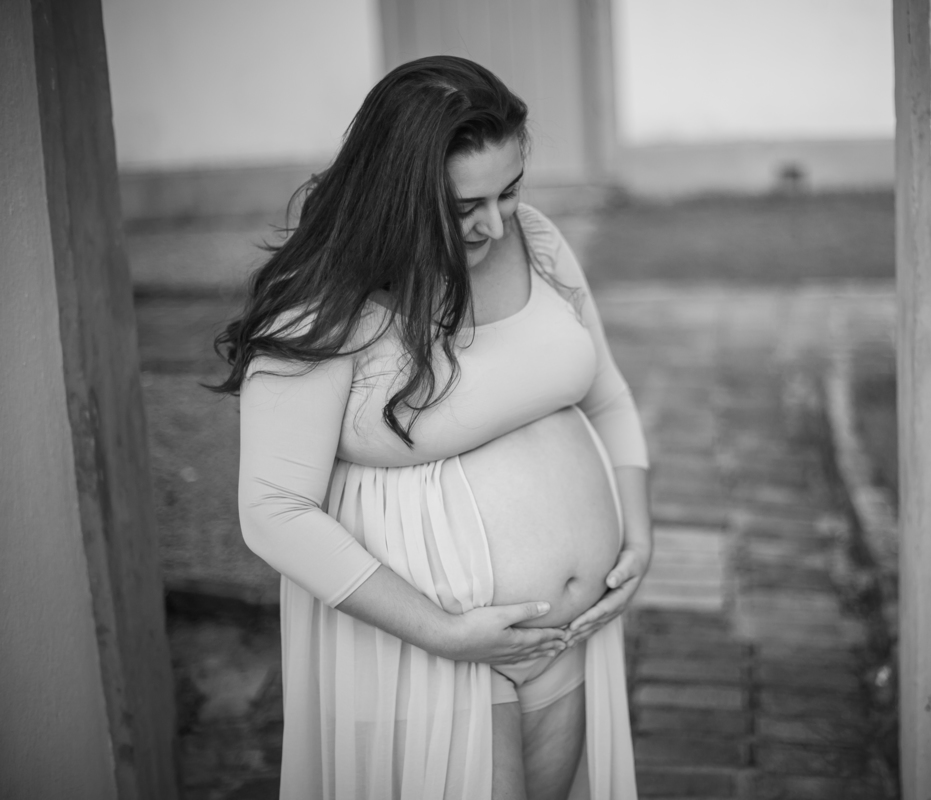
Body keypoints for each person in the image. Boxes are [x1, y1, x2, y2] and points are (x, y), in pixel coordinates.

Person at [210, 56, 651, 799]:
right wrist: (444, 633)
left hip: (565, 639)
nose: (493, 222)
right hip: (424, 649)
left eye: (509, 191)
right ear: (398, 196)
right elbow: (274, 512)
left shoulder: (533, 239)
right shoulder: (323, 306)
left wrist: (636, 532)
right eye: (464, 205)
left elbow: (605, 391)